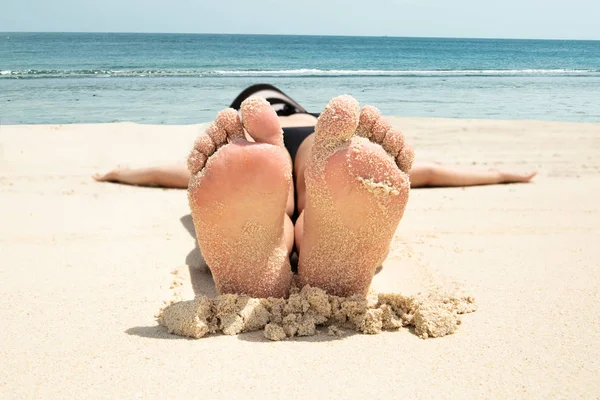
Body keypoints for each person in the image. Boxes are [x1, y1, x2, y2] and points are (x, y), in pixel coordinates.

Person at [94, 85, 536, 299]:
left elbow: (165, 173)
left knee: (275, 198)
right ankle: (313, 235)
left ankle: (277, 237)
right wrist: (501, 174)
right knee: (316, 180)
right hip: (313, 145)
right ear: (292, 103)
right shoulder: (318, 126)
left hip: (264, 153)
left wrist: (120, 171)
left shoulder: (244, 141)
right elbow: (432, 171)